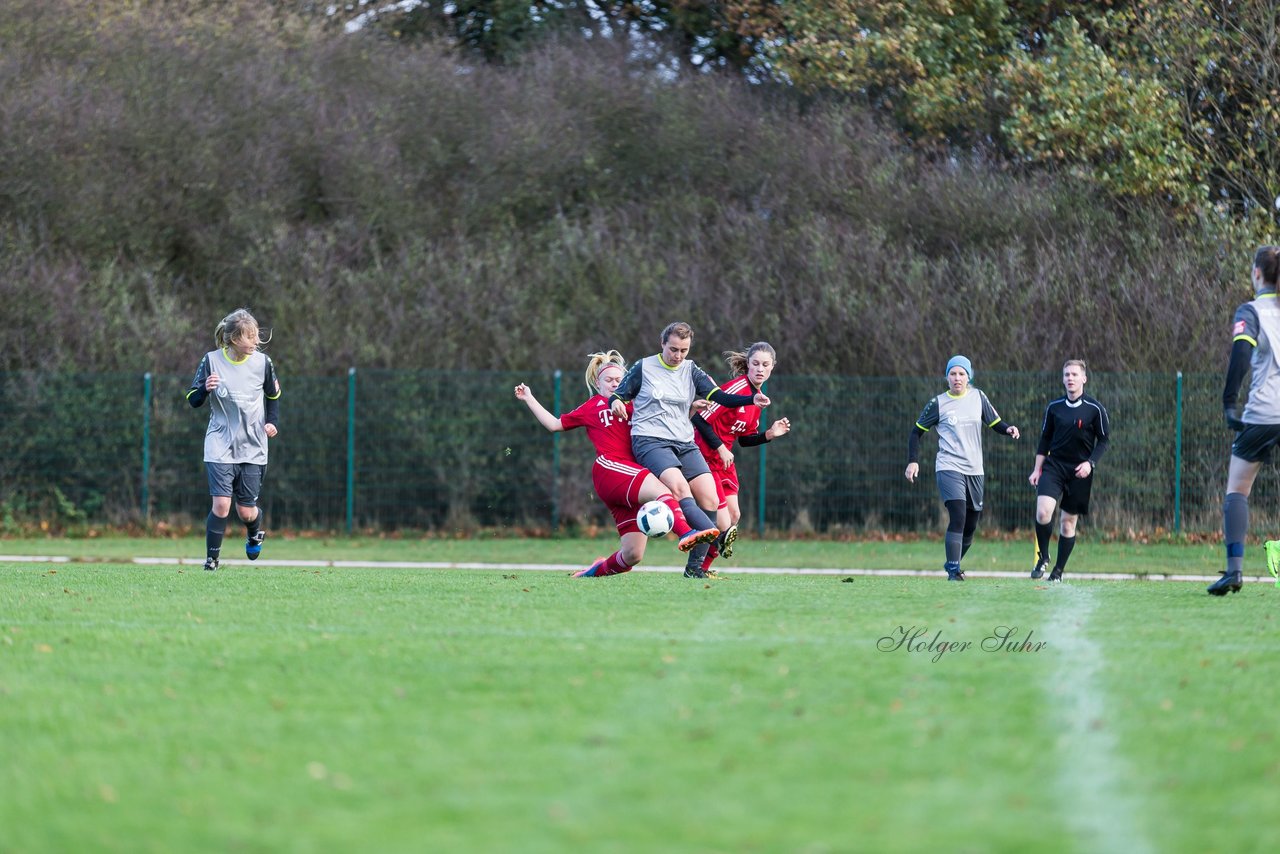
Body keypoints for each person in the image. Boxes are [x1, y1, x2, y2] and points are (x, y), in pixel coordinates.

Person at [514, 350, 719, 578]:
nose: (614, 384)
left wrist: (691, 409)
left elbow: (671, 426)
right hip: (611, 469)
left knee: (632, 554)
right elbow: (554, 424)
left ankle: (590, 573)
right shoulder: (593, 406)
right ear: (597, 382)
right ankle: (685, 533)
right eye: (608, 380)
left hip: (634, 480)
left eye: (618, 380)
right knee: (665, 490)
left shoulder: (641, 405)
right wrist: (528, 398)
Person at [609, 321, 770, 579]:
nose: (678, 356)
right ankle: (696, 533)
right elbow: (619, 394)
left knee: (709, 499)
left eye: (684, 350)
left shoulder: (691, 369)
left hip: (684, 443)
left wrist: (751, 398)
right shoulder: (644, 367)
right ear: (662, 344)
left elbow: (721, 397)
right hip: (650, 441)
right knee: (680, 488)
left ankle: (694, 569)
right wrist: (616, 402)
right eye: (673, 349)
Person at [905, 355, 1019, 582]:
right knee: (958, 515)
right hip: (949, 467)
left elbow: (994, 422)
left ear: (969, 377)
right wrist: (913, 460)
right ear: (947, 377)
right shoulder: (938, 403)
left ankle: (952, 561)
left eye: (961, 374)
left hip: (975, 469)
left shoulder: (978, 397)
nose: (957, 378)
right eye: (953, 374)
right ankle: (954, 571)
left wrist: (1008, 429)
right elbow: (916, 433)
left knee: (971, 524)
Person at [185, 308, 281, 572]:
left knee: (245, 511)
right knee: (221, 504)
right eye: (250, 337)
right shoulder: (211, 361)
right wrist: (204, 388)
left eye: (256, 335)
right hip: (220, 444)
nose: (255, 341)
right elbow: (193, 400)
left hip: (253, 445)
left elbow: (273, 396)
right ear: (234, 339)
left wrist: (272, 422)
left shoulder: (263, 363)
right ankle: (212, 560)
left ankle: (254, 531)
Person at [690, 342, 792, 577]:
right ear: (748, 365)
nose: (760, 368)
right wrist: (720, 448)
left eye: (765, 365)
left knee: (734, 516)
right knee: (722, 522)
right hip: (705, 456)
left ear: (772, 368)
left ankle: (703, 569)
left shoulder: (758, 398)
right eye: (755, 363)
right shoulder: (737, 389)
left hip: (723, 461)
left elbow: (745, 440)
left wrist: (769, 434)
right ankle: (693, 568)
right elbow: (699, 420)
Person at [1214, 245, 1280, 595]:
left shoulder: (1251, 310)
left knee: (1237, 489)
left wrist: (1229, 401)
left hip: (1264, 412)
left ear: (1257, 273)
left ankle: (1234, 571)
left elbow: (1241, 352)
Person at [1028, 359, 1109, 582]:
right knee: (1043, 512)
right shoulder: (1054, 408)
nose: (1070, 378)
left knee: (1067, 523)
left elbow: (1103, 441)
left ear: (1084, 378)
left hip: (1080, 471)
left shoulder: (1095, 409)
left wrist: (1090, 463)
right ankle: (1043, 556)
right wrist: (1037, 469)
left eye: (1074, 374)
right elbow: (1045, 439)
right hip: (1054, 466)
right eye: (1066, 375)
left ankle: (1058, 572)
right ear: (1063, 379)